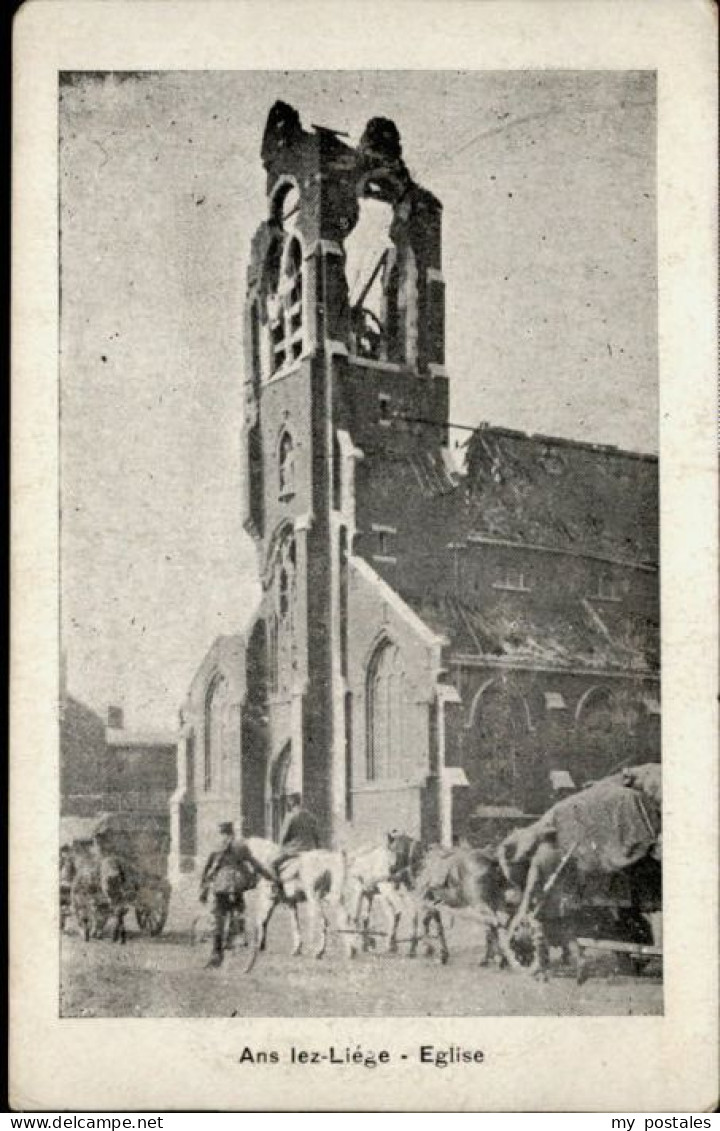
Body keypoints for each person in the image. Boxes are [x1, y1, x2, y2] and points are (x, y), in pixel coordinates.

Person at [200, 821, 276, 968]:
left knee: (218, 920)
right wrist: (270, 877)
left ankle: (216, 954)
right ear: (233, 832)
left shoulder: (216, 847)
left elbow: (207, 869)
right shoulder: (241, 846)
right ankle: (237, 934)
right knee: (239, 909)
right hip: (238, 886)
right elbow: (255, 864)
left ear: (221, 833)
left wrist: (203, 889)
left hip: (221, 887)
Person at [274, 792, 320, 886]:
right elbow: (317, 837)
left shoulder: (290, 817)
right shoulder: (311, 817)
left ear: (291, 801)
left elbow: (283, 838)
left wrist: (280, 848)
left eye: (288, 800)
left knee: (272, 864)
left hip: (294, 851)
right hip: (311, 850)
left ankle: (277, 889)